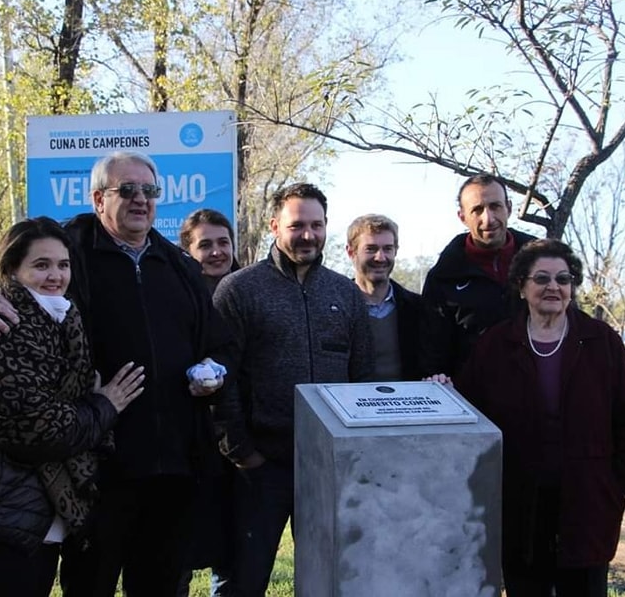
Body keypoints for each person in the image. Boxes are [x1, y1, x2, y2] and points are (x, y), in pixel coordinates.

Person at [0, 151, 232, 597]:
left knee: (163, 586)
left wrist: (211, 370)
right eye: (126, 190)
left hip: (173, 470)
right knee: (89, 586)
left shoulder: (179, 266)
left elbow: (216, 342)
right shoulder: (69, 248)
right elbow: (4, 288)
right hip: (96, 472)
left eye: (149, 191)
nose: (140, 200)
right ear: (98, 198)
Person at [0, 217, 145, 597]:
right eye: (41, 265)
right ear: (12, 269)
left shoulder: (58, 320)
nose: (55, 275)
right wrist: (106, 405)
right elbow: (41, 433)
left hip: (24, 517)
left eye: (63, 264)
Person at [455, 238, 625, 597]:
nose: (554, 287)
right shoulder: (496, 345)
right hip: (519, 504)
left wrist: (617, 482)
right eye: (542, 278)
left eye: (563, 279)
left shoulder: (601, 341)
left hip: (588, 502)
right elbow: (470, 418)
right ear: (521, 286)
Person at [213, 182, 374, 596]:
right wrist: (241, 450)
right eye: (297, 225)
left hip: (329, 468)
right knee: (243, 581)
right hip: (261, 466)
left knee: (331, 581)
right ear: (274, 225)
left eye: (316, 225)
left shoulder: (346, 294)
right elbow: (220, 378)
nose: (308, 235)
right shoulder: (239, 290)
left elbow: (363, 377)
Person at [177, 208, 240, 597]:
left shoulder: (250, 289)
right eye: (205, 244)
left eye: (223, 243)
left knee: (231, 552)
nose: (217, 252)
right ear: (188, 250)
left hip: (238, 442)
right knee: (177, 551)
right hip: (188, 442)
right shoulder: (175, 293)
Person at [420, 174, 536, 382]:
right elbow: (433, 355)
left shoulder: (544, 262)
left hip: (541, 395)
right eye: (477, 210)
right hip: (475, 401)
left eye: (495, 206)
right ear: (462, 217)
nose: (488, 219)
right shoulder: (443, 278)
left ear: (508, 208)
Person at [345, 213, 424, 381]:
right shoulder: (336, 309)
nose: (380, 257)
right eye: (371, 249)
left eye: (387, 249)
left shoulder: (419, 309)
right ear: (351, 252)